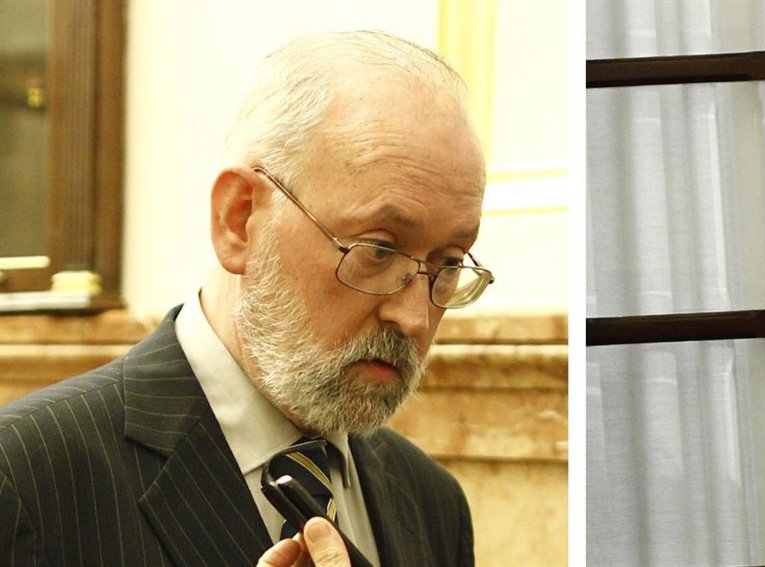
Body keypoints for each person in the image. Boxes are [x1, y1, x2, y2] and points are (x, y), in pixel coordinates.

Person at [0, 30, 491, 566]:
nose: (415, 317)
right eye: (378, 249)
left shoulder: (432, 504)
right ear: (239, 220)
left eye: (448, 264)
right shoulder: (25, 479)